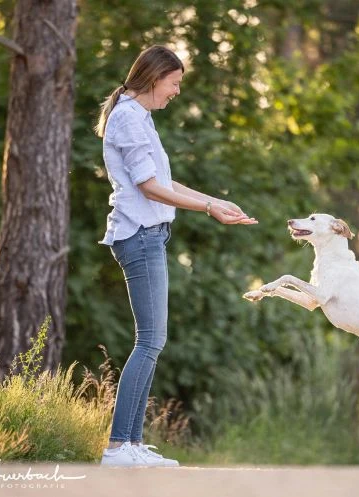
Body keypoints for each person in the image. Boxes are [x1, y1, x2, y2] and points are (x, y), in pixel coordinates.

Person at [94, 45, 257, 468]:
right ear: (155, 78)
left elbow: (165, 180)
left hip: (151, 236)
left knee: (152, 341)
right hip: (139, 236)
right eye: (175, 82)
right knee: (149, 341)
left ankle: (130, 445)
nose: (177, 91)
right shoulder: (128, 117)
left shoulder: (138, 116)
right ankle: (117, 447)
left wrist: (215, 201)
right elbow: (148, 187)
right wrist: (205, 208)